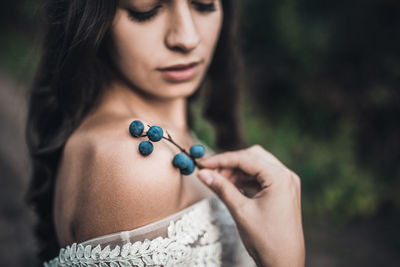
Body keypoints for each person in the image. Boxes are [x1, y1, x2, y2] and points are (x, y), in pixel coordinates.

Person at [25, 0, 305, 266]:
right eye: (145, 11)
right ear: (95, 20)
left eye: (204, 4)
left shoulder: (163, 135)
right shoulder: (132, 163)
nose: (187, 38)